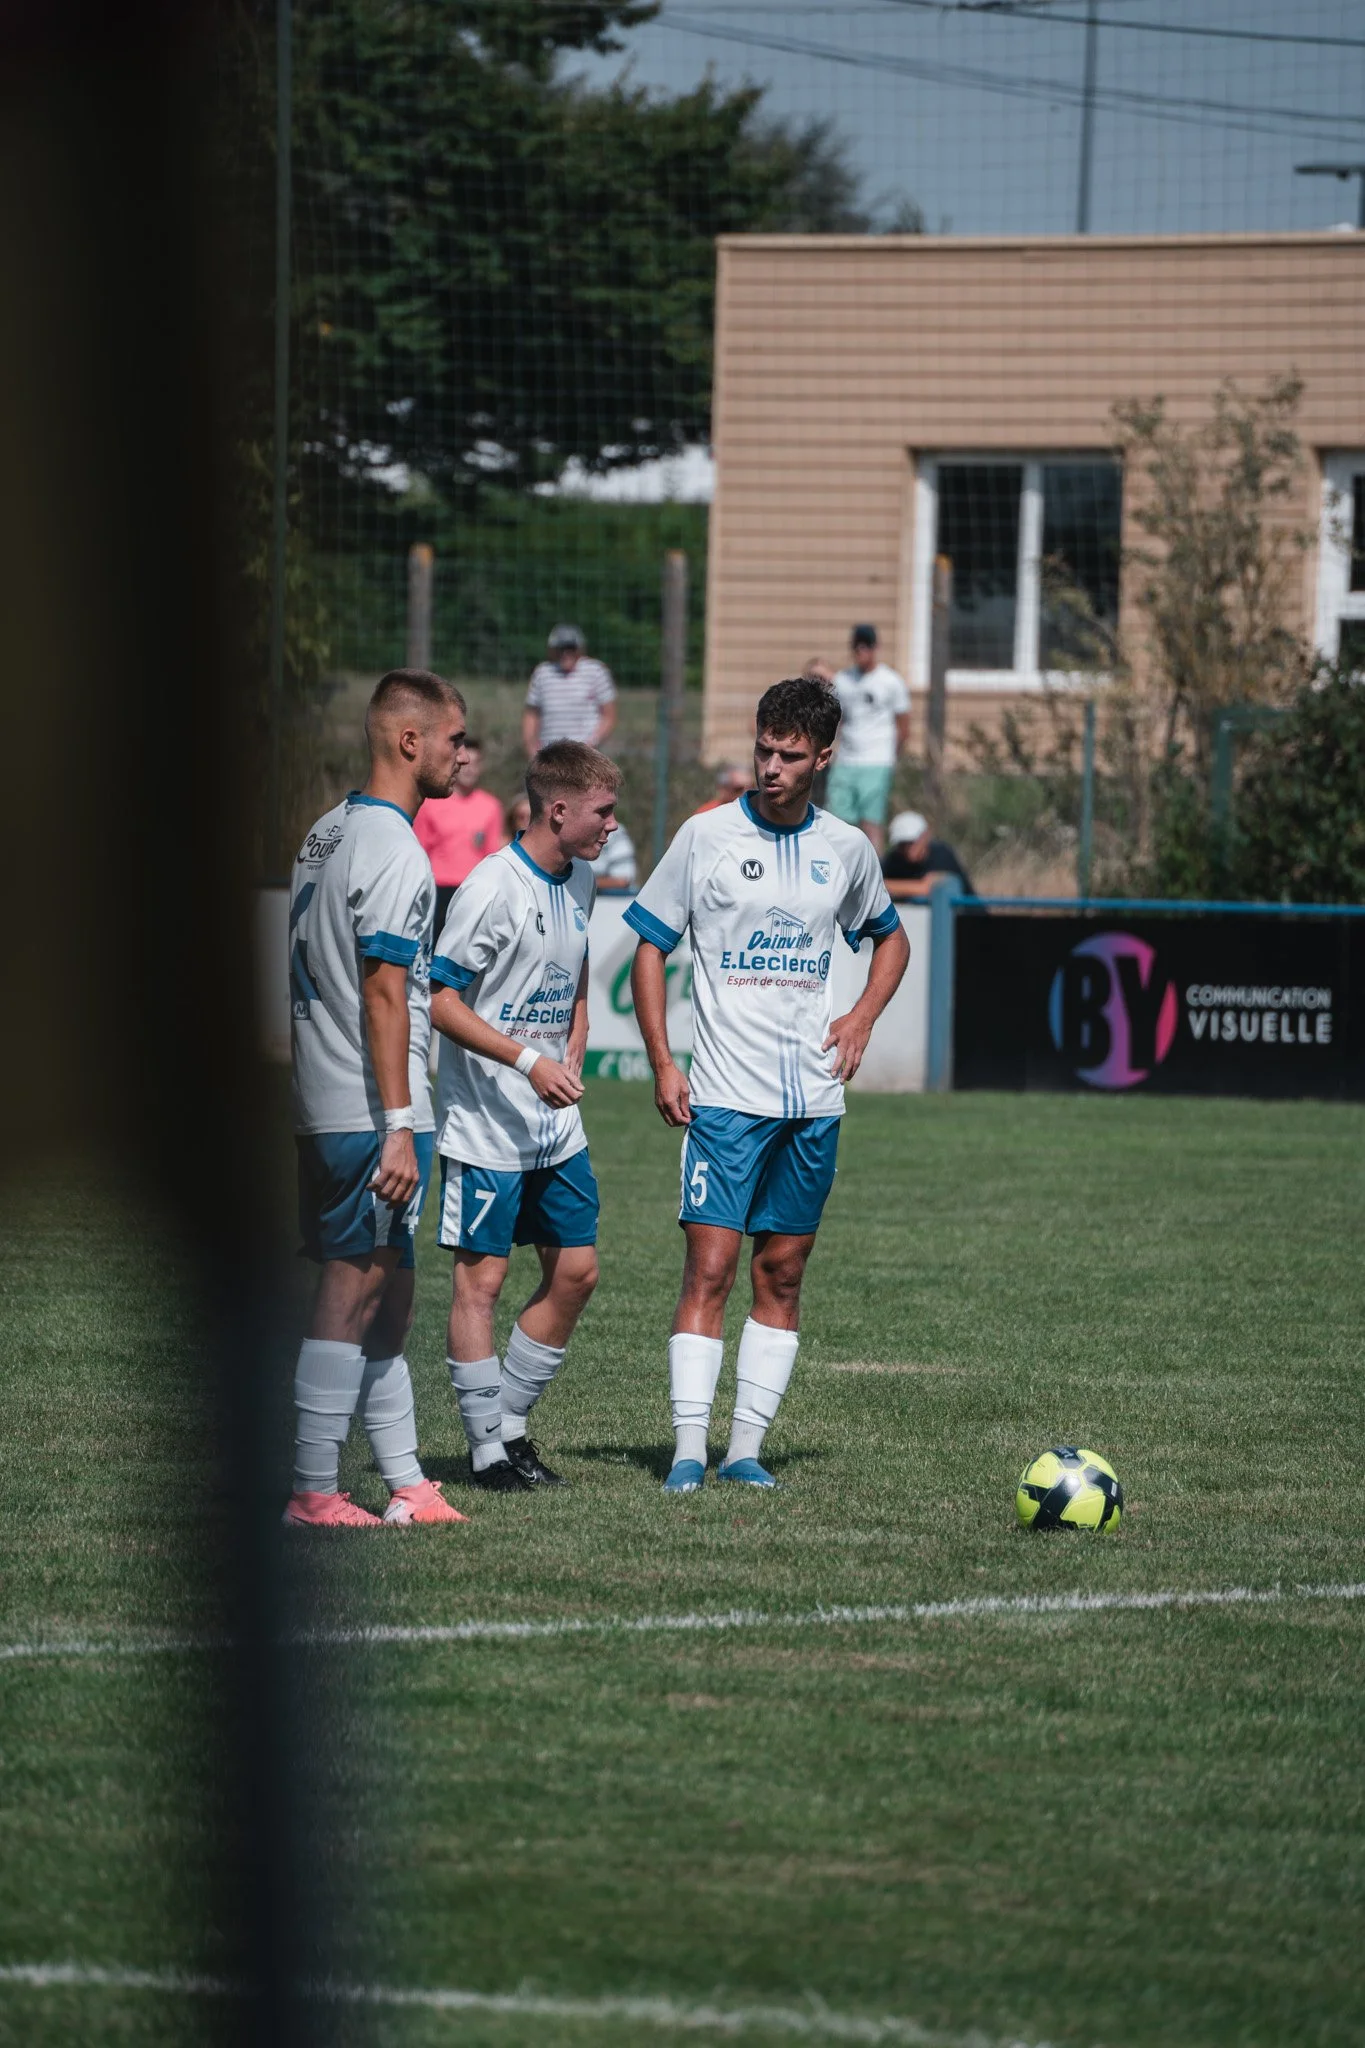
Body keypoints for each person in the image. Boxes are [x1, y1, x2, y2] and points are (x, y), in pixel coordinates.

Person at [627, 677, 909, 1494]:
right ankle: (686, 1452)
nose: (771, 767)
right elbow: (649, 945)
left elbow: (889, 942)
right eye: (763, 750)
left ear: (823, 757)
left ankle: (744, 1450)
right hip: (722, 1097)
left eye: (789, 755)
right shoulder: (703, 836)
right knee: (708, 1269)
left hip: (812, 1104)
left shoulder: (847, 848)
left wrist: (858, 1019)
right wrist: (661, 1060)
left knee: (781, 1273)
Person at [283, 668, 471, 1529]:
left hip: (334, 1100)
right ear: (409, 741)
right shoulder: (394, 847)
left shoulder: (324, 833)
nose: (462, 756)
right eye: (455, 739)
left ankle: (407, 1484)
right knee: (351, 1289)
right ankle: (314, 1490)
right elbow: (385, 992)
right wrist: (400, 1125)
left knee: (389, 1298)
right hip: (368, 1112)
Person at [431, 741, 622, 1491]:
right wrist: (526, 1061)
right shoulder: (491, 888)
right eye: (603, 812)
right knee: (481, 1284)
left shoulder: (582, 879)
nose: (612, 825)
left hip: (553, 1121)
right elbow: (440, 998)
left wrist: (574, 1035)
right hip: (486, 1121)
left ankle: (505, 1427)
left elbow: (572, 968)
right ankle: (486, 1455)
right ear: (558, 809)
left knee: (577, 1272)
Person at [826, 624, 911, 853]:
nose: (861, 652)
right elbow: (838, 719)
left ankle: (874, 876)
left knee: (871, 823)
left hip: (877, 760)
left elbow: (903, 724)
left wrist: (892, 756)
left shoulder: (890, 681)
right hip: (846, 760)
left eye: (866, 646)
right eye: (857, 647)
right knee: (837, 821)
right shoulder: (843, 680)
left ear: (875, 648)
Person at [413, 736, 507, 933]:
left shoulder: (491, 806)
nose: (470, 769)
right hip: (438, 890)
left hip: (473, 891)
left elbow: (492, 856)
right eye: (466, 763)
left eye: (477, 763)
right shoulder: (431, 803)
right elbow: (418, 851)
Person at [522, 624, 617, 755]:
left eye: (570, 648)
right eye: (560, 648)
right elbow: (531, 714)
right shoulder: (542, 673)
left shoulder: (596, 671)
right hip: (549, 755)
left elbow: (608, 714)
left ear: (579, 648)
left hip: (586, 754)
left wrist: (592, 743)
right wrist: (531, 748)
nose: (565, 653)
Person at [881, 810, 976, 900]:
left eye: (911, 842)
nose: (907, 848)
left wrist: (885, 886)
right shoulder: (893, 861)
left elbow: (928, 888)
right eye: (902, 844)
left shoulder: (941, 854)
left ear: (925, 837)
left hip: (969, 915)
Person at [589, 813, 637, 890]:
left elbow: (622, 880)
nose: (613, 824)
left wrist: (583, 882)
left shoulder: (616, 833)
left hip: (611, 899)